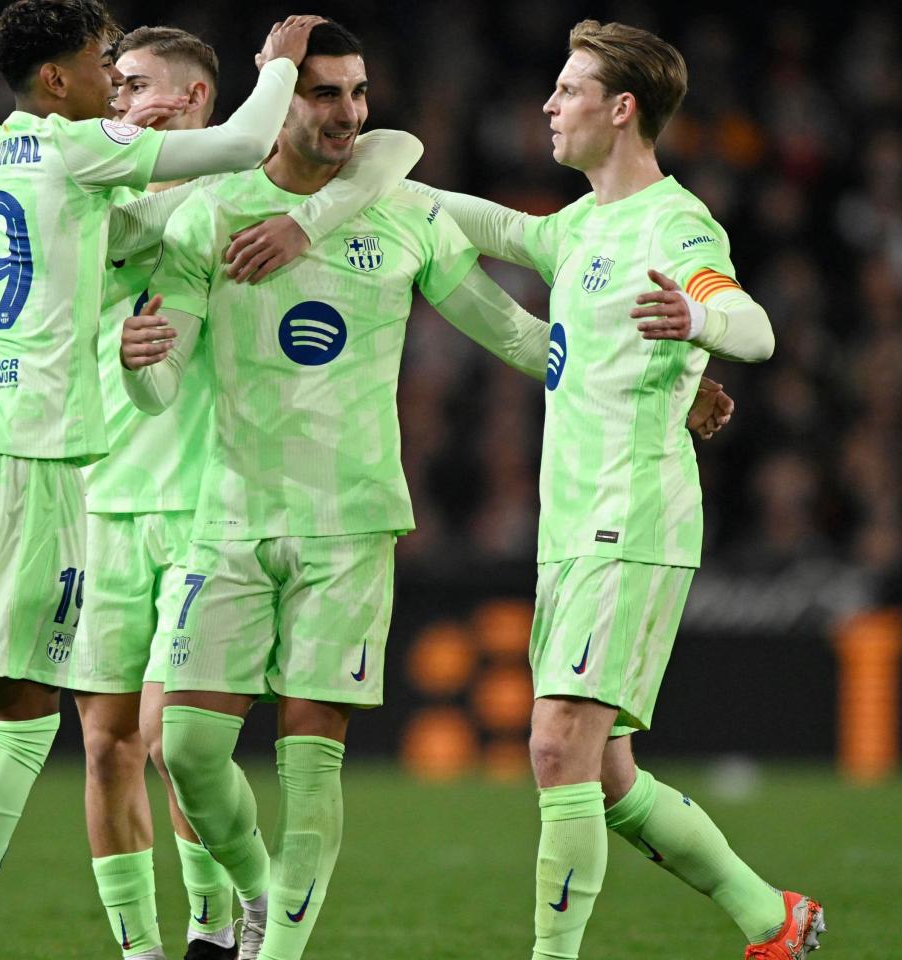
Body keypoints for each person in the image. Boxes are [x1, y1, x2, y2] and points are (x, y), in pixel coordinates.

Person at [0, 6, 328, 960]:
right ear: (56, 80)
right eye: (104, 65)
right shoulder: (74, 146)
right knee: (20, 718)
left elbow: (104, 248)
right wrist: (279, 65)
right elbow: (245, 139)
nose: (117, 82)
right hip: (35, 457)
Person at [116, 19, 577, 959]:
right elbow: (164, 383)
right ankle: (255, 892)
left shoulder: (401, 212)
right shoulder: (213, 213)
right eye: (326, 93)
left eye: (358, 93)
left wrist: (650, 382)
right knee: (185, 752)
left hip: (350, 524)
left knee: (310, 758)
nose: (350, 113)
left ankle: (275, 952)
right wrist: (136, 365)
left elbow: (518, 336)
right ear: (278, 102)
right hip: (231, 516)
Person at [404, 19, 820, 960]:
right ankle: (772, 918)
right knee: (606, 775)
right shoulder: (582, 225)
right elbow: (496, 228)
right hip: (572, 526)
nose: (548, 104)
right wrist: (379, 185)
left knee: (555, 748)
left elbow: (753, 330)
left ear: (621, 109)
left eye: (567, 89)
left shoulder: (676, 224)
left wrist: (699, 317)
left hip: (631, 519)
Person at [68, 24, 424, 960]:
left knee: (171, 740)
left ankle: (217, 925)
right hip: (103, 494)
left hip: (207, 497)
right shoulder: (83, 195)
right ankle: (150, 948)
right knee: (109, 748)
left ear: (195, 102)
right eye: (112, 86)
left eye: (136, 83)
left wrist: (304, 210)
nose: (118, 100)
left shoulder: (220, 191)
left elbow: (390, 151)